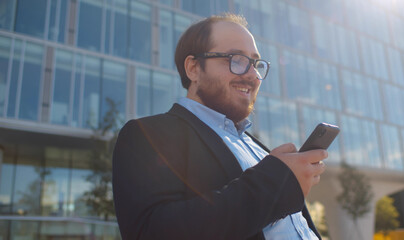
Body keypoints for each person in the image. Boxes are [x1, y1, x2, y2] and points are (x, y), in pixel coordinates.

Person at [113, 13, 327, 240]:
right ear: (193, 68)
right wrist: (276, 182)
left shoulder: (258, 147)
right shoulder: (149, 135)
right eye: (236, 59)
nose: (253, 75)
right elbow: (152, 233)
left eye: (256, 64)